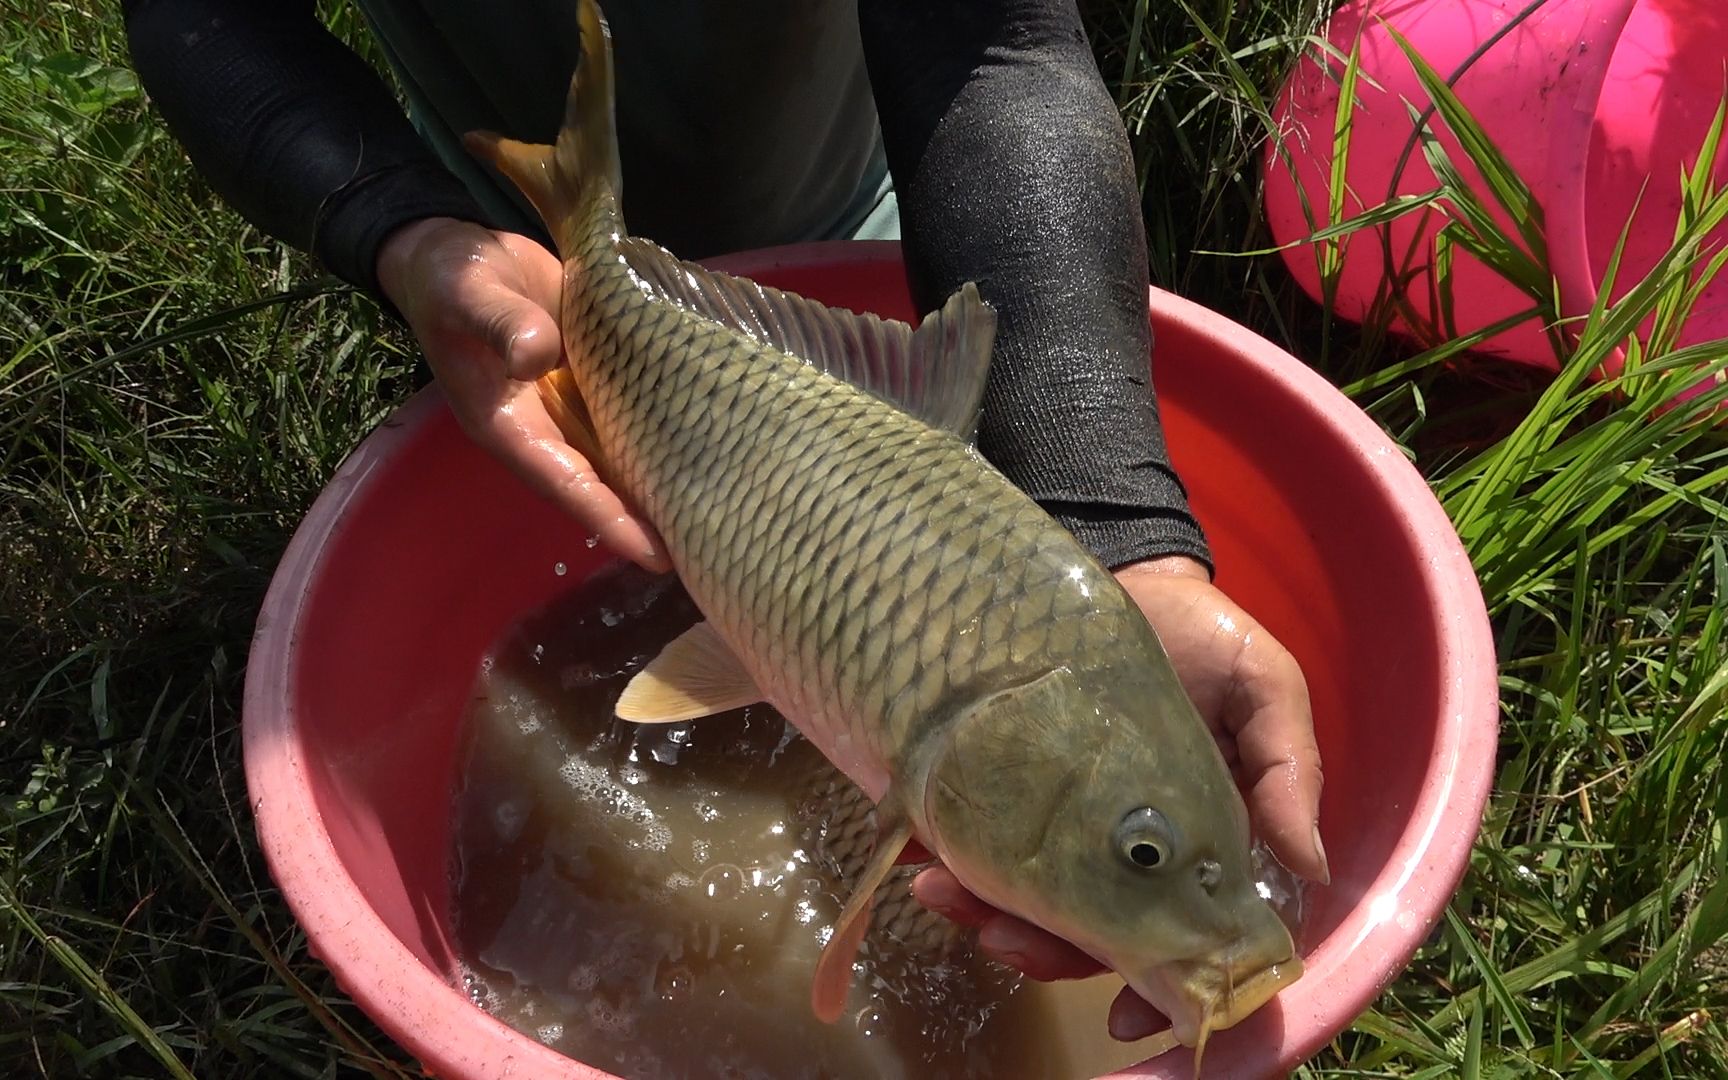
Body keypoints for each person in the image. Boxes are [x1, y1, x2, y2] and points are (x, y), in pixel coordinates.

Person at [124, 0, 1326, 1042]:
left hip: (879, 206)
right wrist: (406, 226)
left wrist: (1121, 533)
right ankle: (526, 236)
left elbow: (990, 44)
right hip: (489, 242)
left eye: (1152, 857)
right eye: (1147, 858)